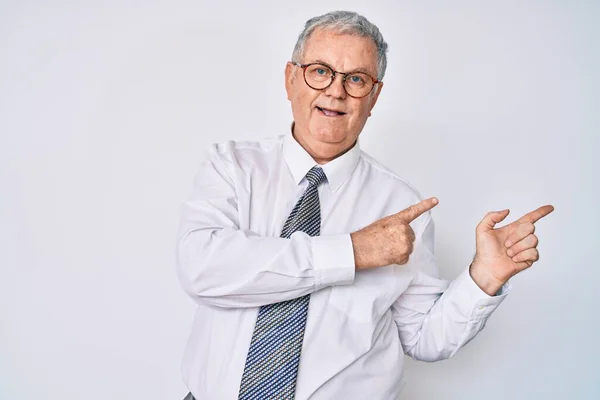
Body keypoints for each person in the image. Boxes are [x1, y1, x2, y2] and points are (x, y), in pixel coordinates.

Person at [176, 10, 554, 400]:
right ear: (290, 79)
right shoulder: (232, 165)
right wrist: (354, 251)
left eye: (356, 79)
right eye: (320, 71)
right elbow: (202, 268)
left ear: (374, 96)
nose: (336, 91)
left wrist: (484, 278)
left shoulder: (402, 206)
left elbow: (424, 336)